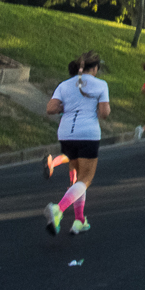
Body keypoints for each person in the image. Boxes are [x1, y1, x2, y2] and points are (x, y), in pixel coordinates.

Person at [43, 51, 109, 236]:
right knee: (86, 179)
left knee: (77, 179)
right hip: (88, 134)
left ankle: (79, 220)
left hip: (66, 134)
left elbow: (50, 108)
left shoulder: (64, 85)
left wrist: (68, 107)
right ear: (94, 68)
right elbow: (104, 113)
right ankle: (59, 209)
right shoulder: (101, 85)